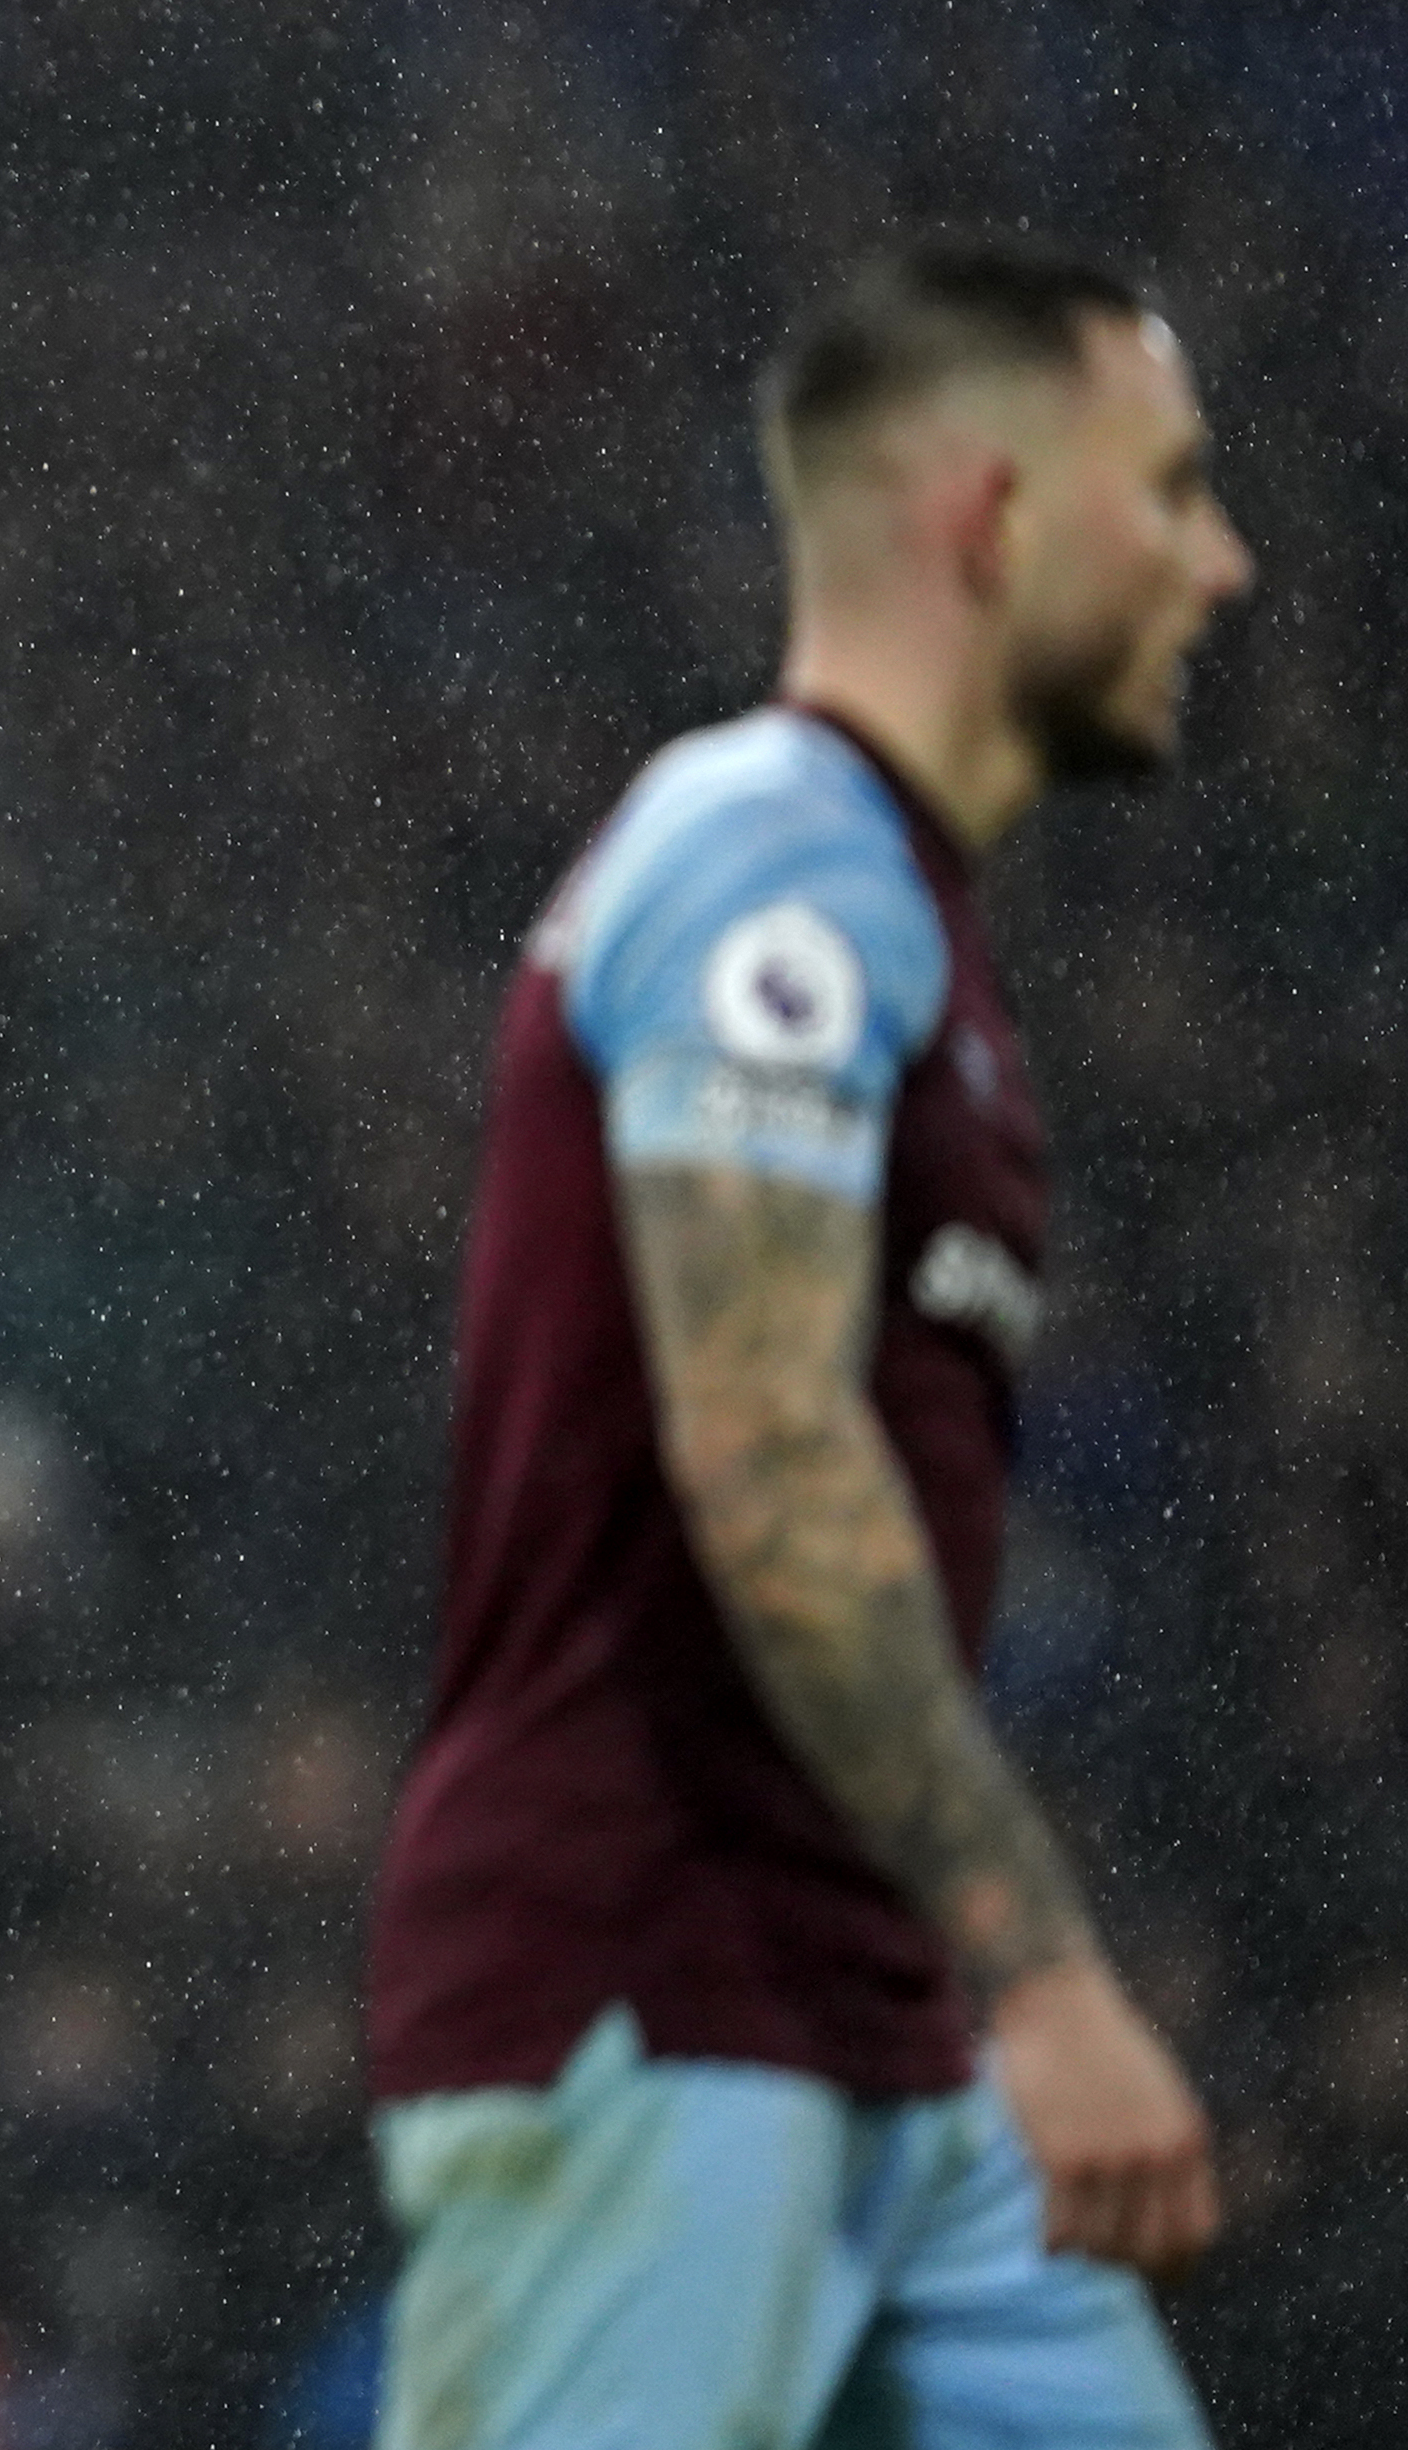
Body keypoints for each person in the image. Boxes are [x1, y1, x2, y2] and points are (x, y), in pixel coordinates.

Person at [362, 234, 1254, 2447]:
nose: (1220, 562)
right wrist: (1047, 1969)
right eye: (1169, 487)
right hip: (652, 1992)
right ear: (988, 514)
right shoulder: (775, 860)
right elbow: (759, 1441)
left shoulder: (893, 915)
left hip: (858, 2028)